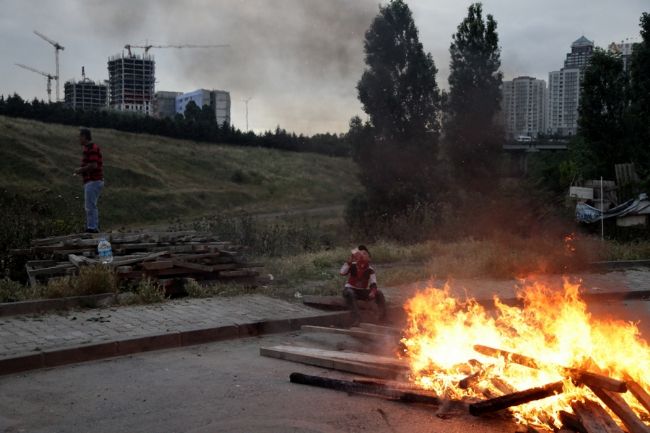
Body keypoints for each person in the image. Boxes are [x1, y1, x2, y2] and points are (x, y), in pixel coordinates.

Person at [340, 245, 387, 325]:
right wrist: (348, 263)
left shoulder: (370, 270)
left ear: (369, 258)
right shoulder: (353, 265)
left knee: (379, 293)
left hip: (361, 292)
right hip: (349, 289)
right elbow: (342, 272)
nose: (362, 255)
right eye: (360, 254)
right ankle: (357, 318)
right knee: (350, 293)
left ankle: (383, 317)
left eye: (365, 254)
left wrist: (372, 292)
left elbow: (373, 284)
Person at [74, 128, 104, 233]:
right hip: (92, 180)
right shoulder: (88, 148)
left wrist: (80, 170)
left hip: (93, 180)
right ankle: (93, 226)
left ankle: (92, 227)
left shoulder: (92, 148)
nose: (79, 139)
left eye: (80, 136)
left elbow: (93, 165)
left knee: (90, 205)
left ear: (84, 137)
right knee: (91, 204)